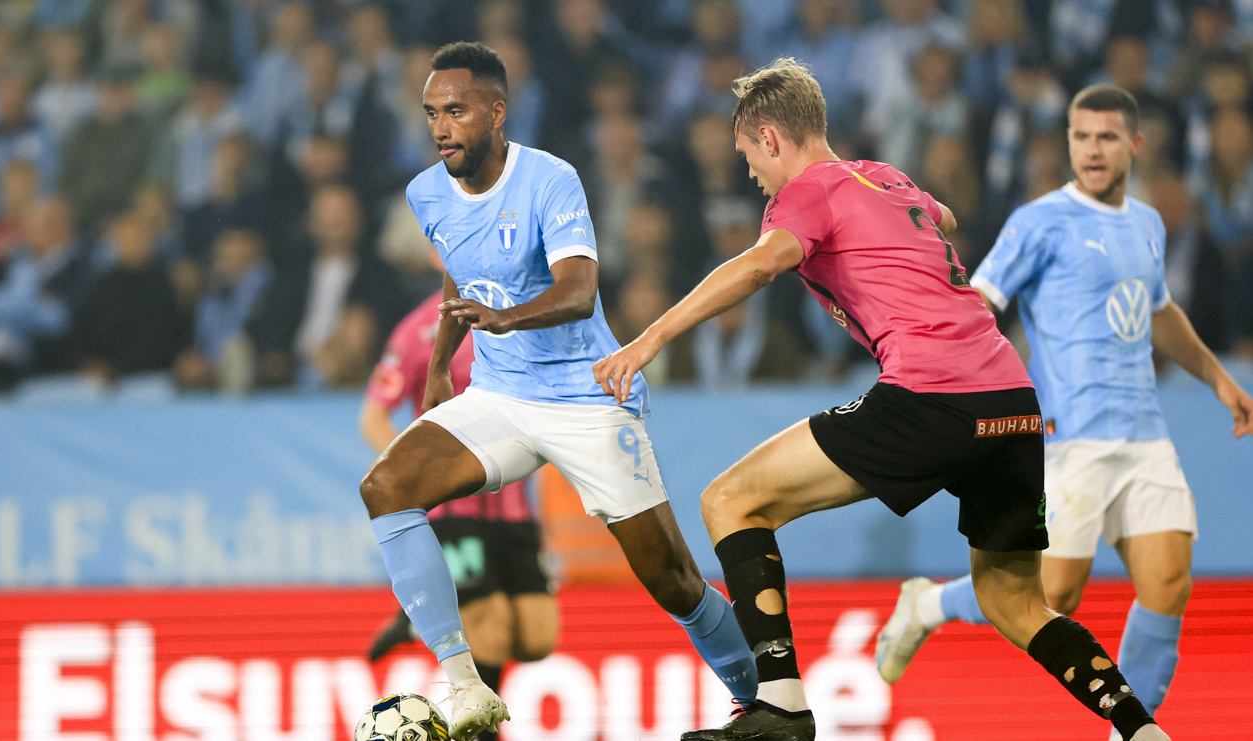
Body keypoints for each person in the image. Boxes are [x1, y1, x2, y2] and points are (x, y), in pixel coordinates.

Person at [594, 60, 1170, 741]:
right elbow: (943, 214)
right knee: (1013, 600)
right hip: (1011, 399)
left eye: (750, 157)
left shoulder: (803, 193)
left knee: (728, 499)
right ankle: (1140, 729)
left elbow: (759, 263)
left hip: (931, 393)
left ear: (771, 138)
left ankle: (779, 703)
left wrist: (649, 337)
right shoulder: (887, 178)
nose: (752, 177)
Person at [357, 41, 757, 741]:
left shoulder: (549, 179)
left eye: (454, 111)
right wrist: (437, 368)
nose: (441, 127)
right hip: (500, 397)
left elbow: (578, 289)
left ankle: (766, 699)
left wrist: (502, 318)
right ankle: (463, 683)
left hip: (585, 397)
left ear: (496, 111)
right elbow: (457, 271)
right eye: (430, 114)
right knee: (385, 485)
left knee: (674, 582)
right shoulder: (426, 193)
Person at [874, 84, 1253, 735]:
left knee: (1168, 585)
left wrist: (1219, 378)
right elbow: (979, 303)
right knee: (1050, 597)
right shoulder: (1039, 221)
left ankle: (1129, 729)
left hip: (1144, 438)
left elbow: (1158, 311)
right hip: (1069, 438)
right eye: (1080, 136)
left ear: (1134, 144)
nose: (1091, 148)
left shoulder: (1146, 223)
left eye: (1106, 136)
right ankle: (929, 602)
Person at [359, 286, 558, 741]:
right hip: (454, 509)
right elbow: (373, 416)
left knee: (537, 638)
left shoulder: (523, 313)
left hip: (514, 511)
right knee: (488, 631)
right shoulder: (418, 330)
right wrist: (419, 476)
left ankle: (415, 621)